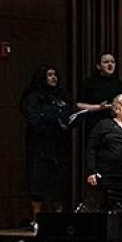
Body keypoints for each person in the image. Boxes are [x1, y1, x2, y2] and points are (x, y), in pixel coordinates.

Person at [21, 66, 73, 221]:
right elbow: (33, 120)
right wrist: (56, 123)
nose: (53, 78)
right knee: (38, 180)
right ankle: (37, 219)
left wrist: (67, 124)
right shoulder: (32, 97)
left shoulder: (61, 96)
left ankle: (57, 220)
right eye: (49, 75)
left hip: (59, 144)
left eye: (55, 75)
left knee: (59, 182)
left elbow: (69, 114)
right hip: (40, 144)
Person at [76, 53, 122, 134]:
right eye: (106, 62)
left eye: (112, 62)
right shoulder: (90, 82)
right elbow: (79, 105)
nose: (110, 64)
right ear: (98, 66)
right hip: (95, 125)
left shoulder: (120, 84)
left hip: (116, 126)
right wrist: (99, 107)